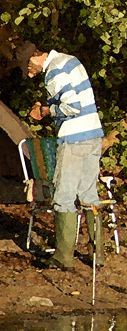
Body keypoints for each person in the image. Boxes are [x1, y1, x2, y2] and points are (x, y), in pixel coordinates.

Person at [16, 42, 105, 270]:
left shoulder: (53, 71)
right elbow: (76, 97)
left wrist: (46, 112)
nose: (29, 74)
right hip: (94, 134)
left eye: (27, 68)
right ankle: (98, 255)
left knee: (63, 195)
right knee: (88, 194)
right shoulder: (69, 60)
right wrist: (48, 104)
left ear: (33, 59)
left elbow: (73, 106)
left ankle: (63, 257)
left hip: (74, 138)